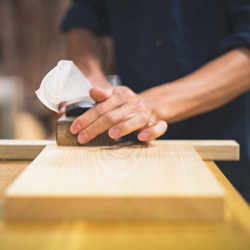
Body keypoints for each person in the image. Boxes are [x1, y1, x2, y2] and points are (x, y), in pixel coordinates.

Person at [60, 0, 250, 201]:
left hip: (225, 147)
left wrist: (152, 104)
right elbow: (85, 17)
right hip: (134, 147)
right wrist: (91, 82)